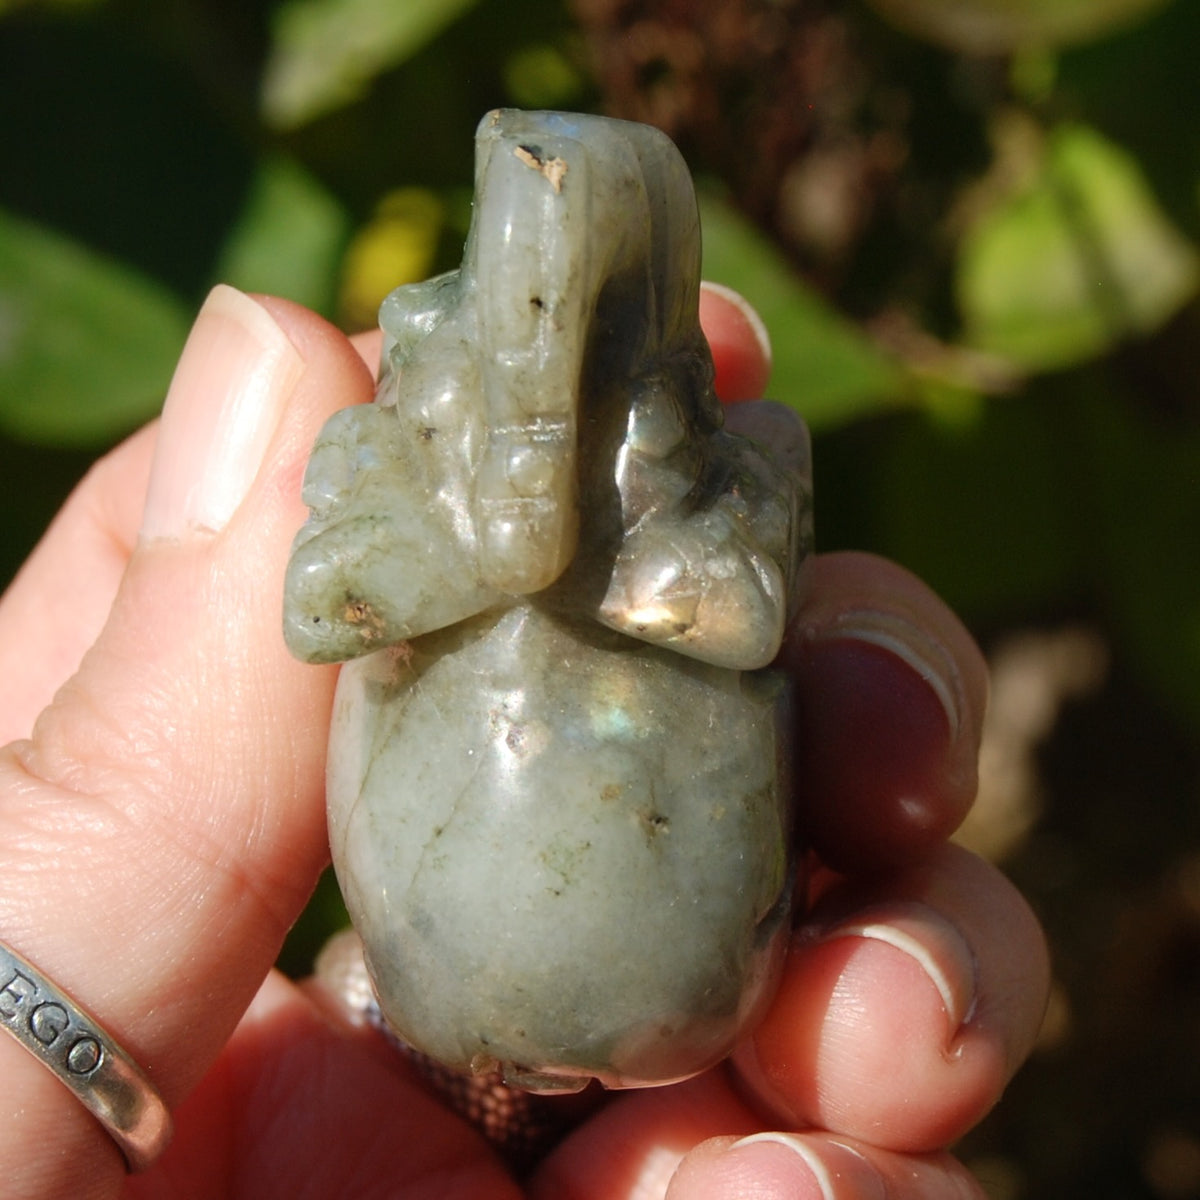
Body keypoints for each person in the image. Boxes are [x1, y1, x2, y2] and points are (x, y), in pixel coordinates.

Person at [0, 282, 1049, 1199]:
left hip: (635, 928)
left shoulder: (733, 486)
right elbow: (325, 602)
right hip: (448, 943)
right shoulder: (382, 468)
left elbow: (748, 603)